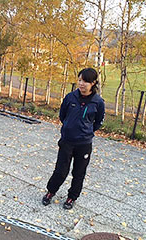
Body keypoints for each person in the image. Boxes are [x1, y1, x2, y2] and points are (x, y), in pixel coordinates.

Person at [42, 68, 105, 210]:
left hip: (84, 144)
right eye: (80, 80)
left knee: (79, 172)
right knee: (60, 170)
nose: (81, 84)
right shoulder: (70, 97)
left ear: (93, 83)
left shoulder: (98, 102)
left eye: (85, 81)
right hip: (67, 141)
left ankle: (72, 197)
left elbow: (98, 121)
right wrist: (69, 127)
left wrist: (86, 131)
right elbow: (62, 115)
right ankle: (50, 192)